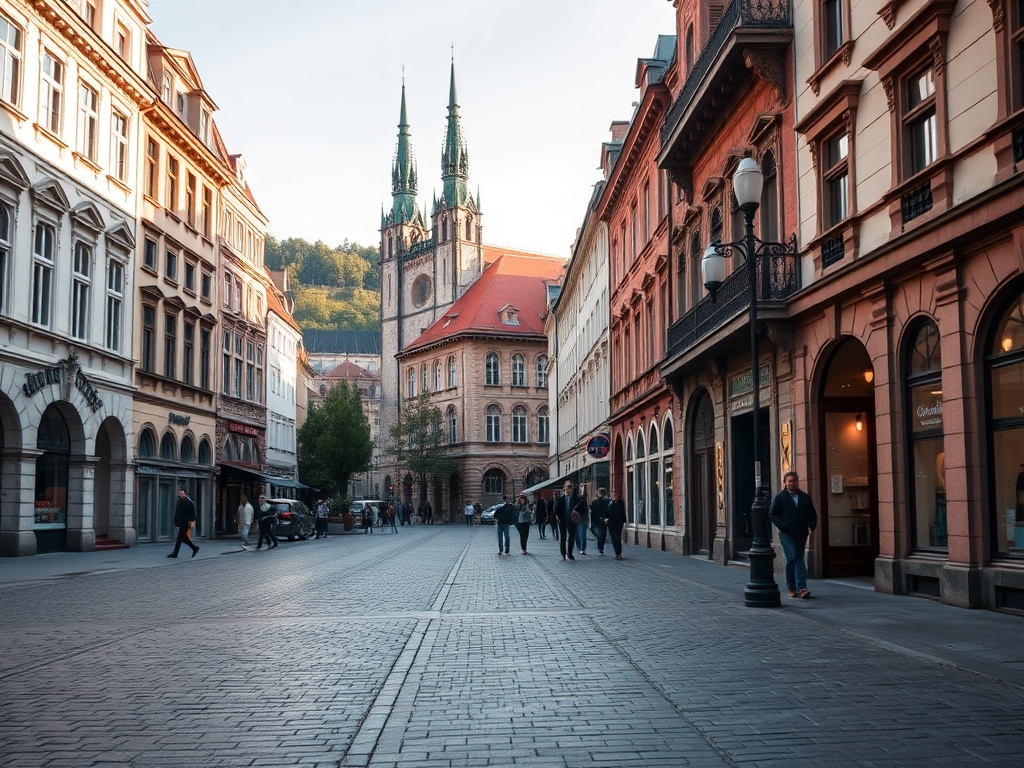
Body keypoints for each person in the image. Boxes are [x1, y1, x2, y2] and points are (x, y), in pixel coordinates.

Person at [769, 471, 819, 599]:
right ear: (785, 483)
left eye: (794, 481)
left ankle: (802, 588)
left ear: (797, 482)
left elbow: (812, 514)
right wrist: (783, 526)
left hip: (801, 533)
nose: (792, 483)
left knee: (799, 559)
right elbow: (772, 514)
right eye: (789, 481)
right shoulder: (780, 497)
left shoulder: (804, 497)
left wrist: (811, 526)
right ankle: (792, 587)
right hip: (787, 534)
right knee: (791, 557)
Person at [553, 480, 587, 561]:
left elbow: (582, 508)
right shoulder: (560, 499)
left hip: (572, 521)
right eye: (567, 487)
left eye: (570, 487)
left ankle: (570, 553)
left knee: (571, 537)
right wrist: (557, 518)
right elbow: (555, 511)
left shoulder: (576, 499)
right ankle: (563, 553)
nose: (569, 489)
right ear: (564, 488)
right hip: (562, 520)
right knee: (563, 538)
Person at [168, 487, 199, 558]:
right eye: (179, 493)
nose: (180, 494)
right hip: (181, 522)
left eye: (182, 492)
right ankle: (195, 548)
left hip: (185, 523)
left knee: (179, 539)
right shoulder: (180, 500)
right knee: (184, 538)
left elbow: (192, 514)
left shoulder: (188, 502)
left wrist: (187, 522)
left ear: (185, 493)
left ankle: (175, 554)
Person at [589, 487, 610, 555]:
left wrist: (606, 518)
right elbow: (592, 512)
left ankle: (601, 548)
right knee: (600, 534)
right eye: (600, 493)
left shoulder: (607, 501)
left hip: (604, 520)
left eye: (602, 493)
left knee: (602, 535)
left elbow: (608, 510)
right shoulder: (594, 502)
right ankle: (600, 548)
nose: (601, 495)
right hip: (597, 520)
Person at [606, 491, 626, 560]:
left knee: (617, 538)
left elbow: (621, 512)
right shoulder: (609, 503)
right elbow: (606, 513)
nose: (614, 497)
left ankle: (618, 553)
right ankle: (617, 553)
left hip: (619, 523)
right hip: (611, 523)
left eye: (616, 495)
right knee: (614, 539)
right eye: (613, 495)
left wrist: (623, 521)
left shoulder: (620, 503)